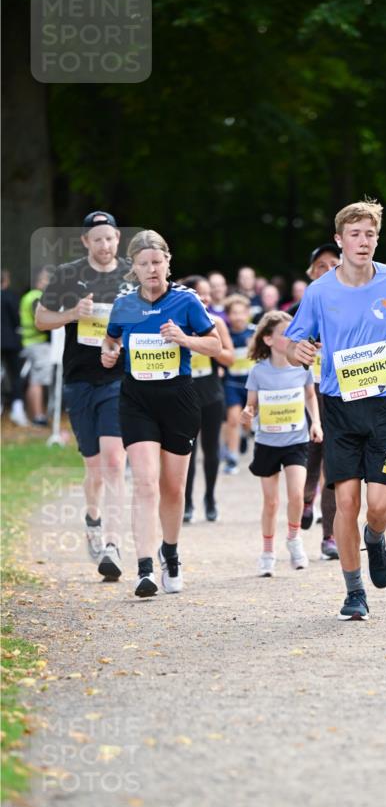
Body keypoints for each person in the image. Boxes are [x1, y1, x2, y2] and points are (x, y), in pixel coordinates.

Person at [286, 199, 386, 621]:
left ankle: (376, 538)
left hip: (383, 404)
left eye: (370, 235)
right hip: (339, 405)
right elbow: (293, 346)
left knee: (378, 505)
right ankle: (354, 590)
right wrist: (300, 351)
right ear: (339, 239)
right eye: (355, 234)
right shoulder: (319, 291)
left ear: (377, 240)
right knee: (346, 501)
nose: (363, 242)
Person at [101, 230, 220, 598]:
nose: (152, 269)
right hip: (137, 399)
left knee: (172, 487)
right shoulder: (123, 305)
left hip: (179, 398)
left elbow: (215, 345)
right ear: (133, 269)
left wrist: (185, 339)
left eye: (157, 262)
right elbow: (111, 339)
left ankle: (170, 552)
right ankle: (144, 568)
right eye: (144, 264)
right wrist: (108, 354)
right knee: (146, 482)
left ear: (168, 262)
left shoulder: (186, 301)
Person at [36, 211, 132, 581]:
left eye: (110, 238)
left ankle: (112, 544)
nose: (105, 245)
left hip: (117, 378)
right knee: (93, 466)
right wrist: (73, 313)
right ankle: (92, 515)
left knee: (113, 461)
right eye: (98, 239)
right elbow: (41, 319)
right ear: (85, 242)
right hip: (79, 379)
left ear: (117, 239)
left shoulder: (130, 275)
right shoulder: (67, 275)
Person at [241, 310, 322, 576]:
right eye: (284, 334)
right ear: (267, 340)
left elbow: (311, 396)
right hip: (267, 443)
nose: (291, 338)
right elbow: (251, 406)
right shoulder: (258, 372)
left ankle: (294, 538)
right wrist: (247, 414)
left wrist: (316, 423)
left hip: (296, 440)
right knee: (271, 502)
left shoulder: (302, 368)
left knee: (297, 494)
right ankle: (267, 551)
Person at [298, 243, 341, 560]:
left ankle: (330, 536)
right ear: (312, 274)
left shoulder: (353, 304)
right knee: (312, 457)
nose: (327, 270)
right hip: (309, 393)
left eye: (332, 264)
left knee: (335, 467)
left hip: (342, 393)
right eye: (320, 266)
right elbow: (287, 350)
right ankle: (305, 498)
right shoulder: (305, 307)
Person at [179, 276, 234, 522]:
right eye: (200, 293)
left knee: (211, 450)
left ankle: (210, 498)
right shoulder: (176, 322)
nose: (206, 298)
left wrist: (205, 346)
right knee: (186, 451)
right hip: (183, 394)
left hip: (211, 393)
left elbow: (230, 358)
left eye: (208, 294)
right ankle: (187, 502)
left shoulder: (216, 323)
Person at [222, 293, 255, 474]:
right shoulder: (225, 333)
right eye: (234, 313)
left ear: (248, 313)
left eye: (242, 313)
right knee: (233, 419)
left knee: (248, 420)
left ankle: (246, 434)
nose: (238, 317)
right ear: (228, 315)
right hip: (232, 383)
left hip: (251, 385)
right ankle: (232, 457)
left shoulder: (254, 332)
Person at [19, 267, 53, 426]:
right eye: (47, 279)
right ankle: (39, 416)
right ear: (39, 281)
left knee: (34, 379)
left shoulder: (28, 296)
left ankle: (36, 415)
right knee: (37, 381)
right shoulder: (37, 298)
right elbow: (42, 320)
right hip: (38, 343)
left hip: (30, 342)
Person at [1, 269, 27, 426]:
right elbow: (18, 321)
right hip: (10, 342)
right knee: (15, 375)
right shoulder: (10, 297)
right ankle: (17, 409)